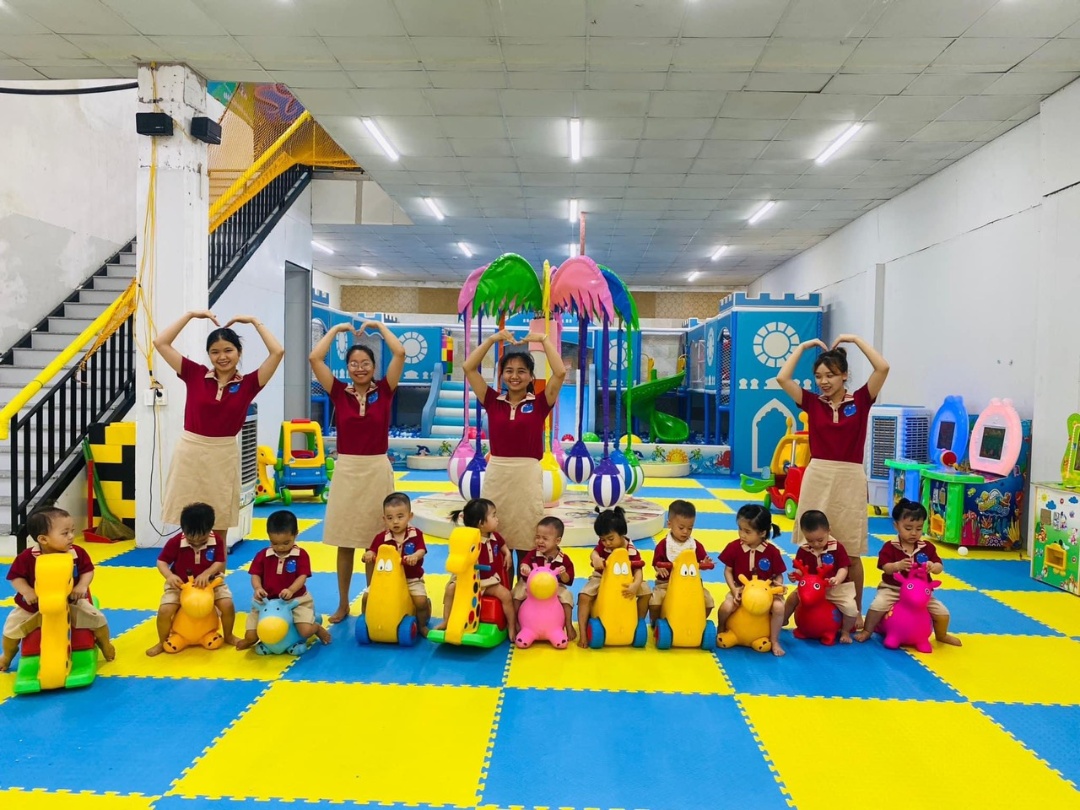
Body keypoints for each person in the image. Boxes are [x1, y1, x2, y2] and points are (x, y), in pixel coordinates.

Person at [776, 333, 889, 615]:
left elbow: (883, 367)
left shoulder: (861, 399)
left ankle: (856, 611)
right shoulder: (813, 402)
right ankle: (809, 606)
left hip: (850, 477)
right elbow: (782, 378)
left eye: (831, 375)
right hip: (818, 475)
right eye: (818, 376)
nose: (824, 381)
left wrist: (855, 340)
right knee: (811, 545)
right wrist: (803, 346)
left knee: (850, 552)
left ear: (844, 375)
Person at [154, 310, 283, 544]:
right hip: (191, 452)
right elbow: (161, 343)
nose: (222, 357)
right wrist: (190, 315)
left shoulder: (250, 383)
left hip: (224, 455)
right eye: (215, 352)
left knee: (220, 522)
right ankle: (189, 565)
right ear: (209, 355)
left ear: (239, 352)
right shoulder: (195, 373)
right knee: (189, 521)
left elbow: (277, 352)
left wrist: (255, 321)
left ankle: (218, 567)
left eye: (228, 350)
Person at [310, 320, 405, 624]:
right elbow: (314, 358)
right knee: (345, 541)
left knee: (375, 541)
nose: (360, 368)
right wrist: (335, 331)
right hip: (348, 470)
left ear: (374, 367)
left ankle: (373, 600)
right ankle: (342, 604)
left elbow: (400, 353)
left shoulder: (385, 391)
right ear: (347, 367)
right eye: (354, 363)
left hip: (376, 469)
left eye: (365, 363)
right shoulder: (339, 392)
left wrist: (379, 327)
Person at [463, 328, 566, 573]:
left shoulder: (540, 403)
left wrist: (543, 339)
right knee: (497, 539)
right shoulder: (492, 400)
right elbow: (469, 367)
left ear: (531, 376)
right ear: (501, 376)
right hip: (498, 475)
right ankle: (501, 591)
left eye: (521, 371)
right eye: (509, 371)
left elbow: (560, 372)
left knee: (528, 539)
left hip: (527, 477)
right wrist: (492, 339)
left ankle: (525, 590)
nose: (515, 376)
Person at [1, 507, 115, 671]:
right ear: (43, 539)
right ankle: (7, 655)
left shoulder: (76, 553)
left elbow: (88, 570)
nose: (71, 536)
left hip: (71, 602)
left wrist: (82, 586)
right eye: (65, 533)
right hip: (33, 606)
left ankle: (105, 644)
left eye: (72, 531)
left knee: (98, 620)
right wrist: (27, 591)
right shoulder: (27, 557)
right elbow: (15, 577)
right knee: (10, 629)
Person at [856, 499, 961, 646]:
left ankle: (941, 635)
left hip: (920, 593)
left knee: (942, 612)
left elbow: (939, 567)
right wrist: (897, 566)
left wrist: (933, 566)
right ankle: (867, 630)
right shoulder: (890, 546)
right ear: (896, 526)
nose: (913, 533)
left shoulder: (927, 547)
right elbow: (885, 567)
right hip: (893, 588)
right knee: (878, 605)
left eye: (919, 528)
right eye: (908, 528)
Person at [146, 502, 237, 656]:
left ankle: (228, 635)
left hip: (211, 583)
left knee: (227, 605)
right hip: (181, 585)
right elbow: (161, 562)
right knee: (164, 611)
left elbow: (219, 561)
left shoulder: (217, 540)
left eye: (202, 539)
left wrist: (207, 573)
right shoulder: (176, 541)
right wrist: (169, 576)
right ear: (183, 529)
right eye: (191, 539)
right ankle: (162, 642)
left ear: (210, 529)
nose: (196, 543)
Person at [236, 509, 331, 651]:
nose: (280, 547)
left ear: (295, 534)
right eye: (274, 543)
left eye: (286, 543)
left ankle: (316, 627)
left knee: (305, 631)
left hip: (295, 600)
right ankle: (251, 640)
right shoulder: (263, 555)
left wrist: (291, 590)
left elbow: (302, 577)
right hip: (266, 602)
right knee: (251, 636)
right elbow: (255, 575)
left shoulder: (301, 555)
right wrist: (258, 588)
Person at [434, 498, 516, 638]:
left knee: (506, 596)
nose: (497, 519)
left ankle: (511, 626)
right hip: (467, 580)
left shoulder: (495, 536)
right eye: (493, 516)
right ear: (481, 523)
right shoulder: (468, 539)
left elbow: (502, 545)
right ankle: (447, 620)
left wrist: (507, 553)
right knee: (450, 589)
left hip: (488, 581)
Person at [717, 504, 788, 657]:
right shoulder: (734, 547)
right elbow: (728, 570)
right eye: (740, 529)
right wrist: (734, 590)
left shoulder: (772, 552)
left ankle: (775, 640)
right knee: (726, 607)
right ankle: (721, 628)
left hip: (765, 593)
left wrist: (778, 585)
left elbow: (778, 574)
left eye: (747, 531)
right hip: (741, 590)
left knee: (779, 608)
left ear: (762, 533)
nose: (742, 534)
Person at [576, 506, 651, 648]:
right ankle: (583, 633)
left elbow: (638, 570)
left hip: (626, 579)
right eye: (603, 540)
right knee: (584, 596)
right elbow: (594, 553)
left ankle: (636, 621)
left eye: (610, 539)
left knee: (646, 593)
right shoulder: (604, 545)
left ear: (622, 533)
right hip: (602, 576)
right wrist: (596, 558)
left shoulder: (630, 549)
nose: (607, 543)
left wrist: (636, 584)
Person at [783, 510, 859, 644]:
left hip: (835, 588)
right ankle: (783, 619)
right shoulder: (804, 549)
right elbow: (800, 569)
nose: (816, 544)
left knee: (851, 609)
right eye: (810, 540)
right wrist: (796, 575)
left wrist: (837, 579)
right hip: (811, 590)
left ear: (828, 531)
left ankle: (846, 631)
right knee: (792, 598)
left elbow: (844, 568)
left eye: (820, 540)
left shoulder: (837, 548)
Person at [362, 492, 431, 637]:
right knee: (366, 597)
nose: (395, 522)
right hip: (386, 579)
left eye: (400, 517)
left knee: (421, 601)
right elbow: (372, 550)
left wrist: (415, 556)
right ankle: (366, 621)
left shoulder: (416, 534)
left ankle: (422, 625)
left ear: (410, 516)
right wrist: (369, 555)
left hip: (411, 579)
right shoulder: (381, 537)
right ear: (384, 519)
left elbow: (421, 550)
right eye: (390, 518)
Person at [650, 499, 716, 626]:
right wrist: (659, 569)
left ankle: (699, 620)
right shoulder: (664, 545)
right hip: (666, 584)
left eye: (690, 528)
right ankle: (655, 621)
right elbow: (656, 563)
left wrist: (705, 562)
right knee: (655, 602)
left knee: (708, 601)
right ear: (669, 524)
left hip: (692, 584)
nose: (685, 531)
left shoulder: (695, 545)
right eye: (681, 528)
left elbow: (702, 561)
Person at [512, 517, 575, 641]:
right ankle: (515, 622)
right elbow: (524, 563)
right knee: (517, 592)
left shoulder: (563, 558)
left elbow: (568, 580)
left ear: (557, 541)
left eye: (545, 539)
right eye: (537, 537)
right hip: (532, 586)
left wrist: (563, 574)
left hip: (553, 588)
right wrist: (525, 568)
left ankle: (568, 625)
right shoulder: (533, 553)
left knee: (567, 596)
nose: (540, 541)